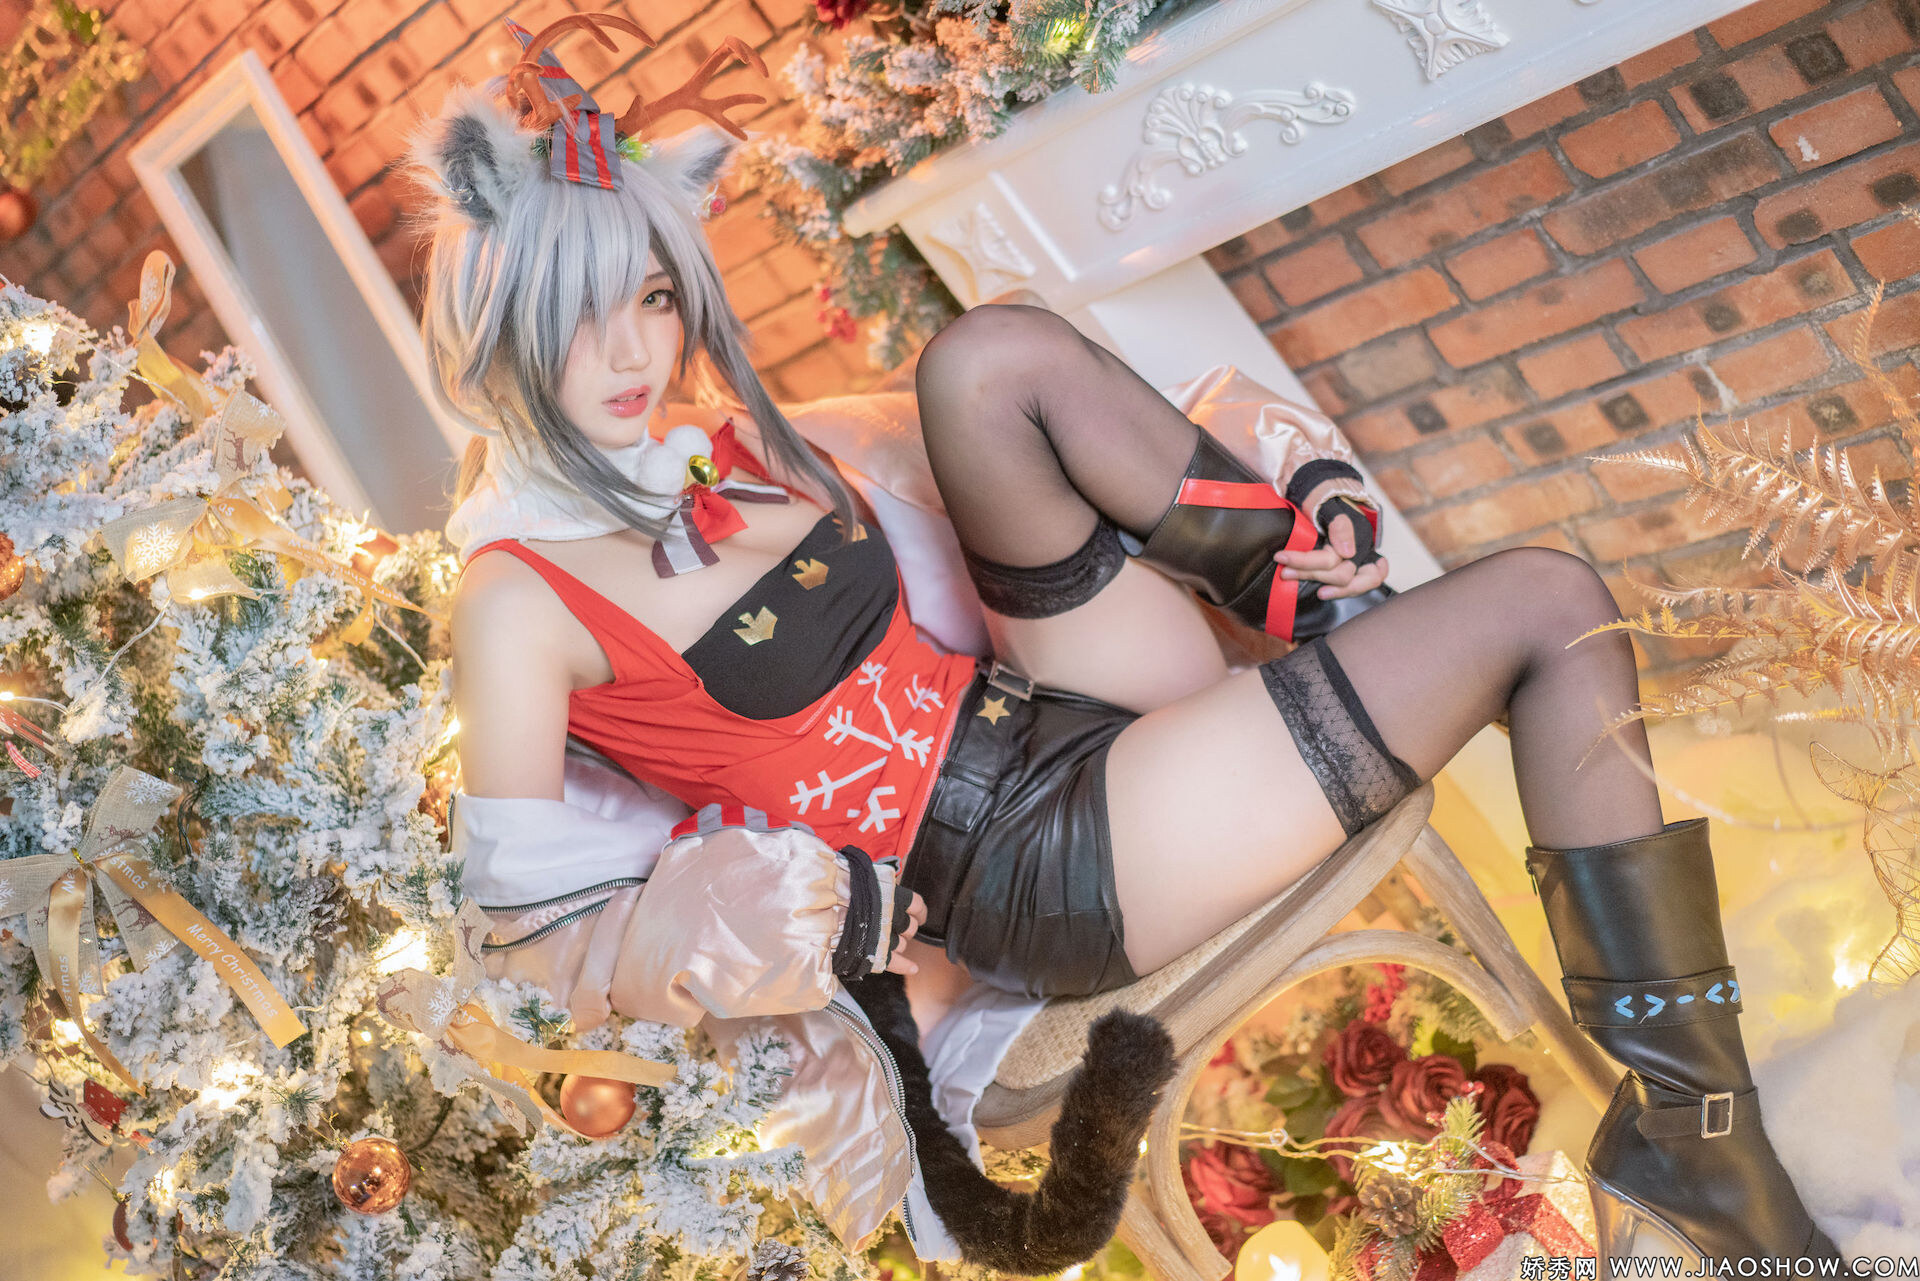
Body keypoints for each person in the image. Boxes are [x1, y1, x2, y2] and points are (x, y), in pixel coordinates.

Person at [416, 14, 1838, 1267]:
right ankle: (1699, 1141)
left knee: (989, 360)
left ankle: (1321, 596)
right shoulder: (515, 598)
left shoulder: (725, 446)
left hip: (1062, 702)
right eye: (583, 313)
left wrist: (1295, 489)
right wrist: (800, 910)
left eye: (655, 296)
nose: (634, 351)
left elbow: (1077, 446)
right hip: (1032, 863)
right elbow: (533, 940)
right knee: (1551, 604)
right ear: (498, 320)